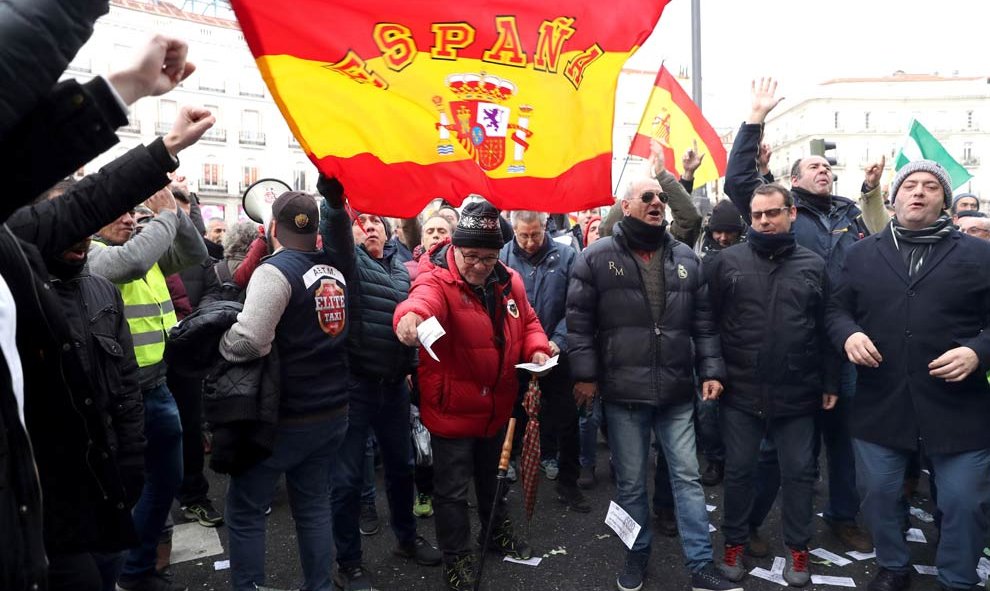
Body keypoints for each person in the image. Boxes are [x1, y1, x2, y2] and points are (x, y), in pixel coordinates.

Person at [723, 77, 879, 552]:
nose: (824, 170)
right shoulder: (783, 215)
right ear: (792, 185)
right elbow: (740, 185)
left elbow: (881, 245)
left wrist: (871, 192)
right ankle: (748, 524)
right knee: (779, 452)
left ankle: (842, 516)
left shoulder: (850, 213)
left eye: (827, 166)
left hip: (846, 343)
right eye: (813, 166)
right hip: (796, 355)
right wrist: (755, 119)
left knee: (844, 442)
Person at [567, 177, 739, 591]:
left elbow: (703, 322)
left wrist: (712, 370)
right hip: (625, 393)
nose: (657, 202)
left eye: (660, 197)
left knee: (687, 477)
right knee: (629, 482)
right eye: (647, 197)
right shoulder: (595, 257)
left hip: (678, 389)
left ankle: (700, 565)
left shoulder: (685, 257)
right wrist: (586, 376)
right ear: (625, 206)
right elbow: (578, 322)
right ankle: (636, 554)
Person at [827, 160, 990, 591]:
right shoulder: (862, 253)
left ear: (944, 200)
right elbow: (836, 309)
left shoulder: (979, 253)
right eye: (910, 185)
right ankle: (894, 565)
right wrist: (849, 334)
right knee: (879, 495)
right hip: (882, 402)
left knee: (963, 500)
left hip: (958, 405)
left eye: (930, 186)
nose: (918, 192)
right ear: (893, 197)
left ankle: (957, 578)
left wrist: (978, 351)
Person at [394, 201, 551, 591]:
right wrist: (409, 319)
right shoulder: (436, 279)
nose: (481, 265)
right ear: (455, 247)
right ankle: (457, 556)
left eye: (489, 256)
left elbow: (528, 320)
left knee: (494, 478)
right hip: (453, 409)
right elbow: (418, 303)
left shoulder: (509, 279)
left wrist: (537, 347)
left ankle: (495, 532)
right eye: (471, 256)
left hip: (497, 405)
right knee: (450, 490)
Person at [220, 189, 353, 591]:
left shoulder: (274, 271)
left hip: (286, 418)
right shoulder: (334, 269)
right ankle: (320, 585)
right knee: (312, 506)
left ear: (272, 227)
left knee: (244, 509)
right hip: (331, 412)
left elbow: (250, 341)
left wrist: (221, 340)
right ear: (314, 229)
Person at [707, 183, 838, 587]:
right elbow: (706, 322)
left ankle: (799, 549)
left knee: (800, 473)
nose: (764, 221)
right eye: (758, 214)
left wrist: (830, 379)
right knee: (740, 472)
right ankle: (735, 541)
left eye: (773, 213)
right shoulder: (726, 262)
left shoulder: (815, 265)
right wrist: (712, 370)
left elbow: (828, 324)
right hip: (741, 390)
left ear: (791, 213)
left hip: (798, 391)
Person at [88, 181, 210, 591]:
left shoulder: (143, 242)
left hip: (157, 386)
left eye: (131, 212)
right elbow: (131, 265)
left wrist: (180, 209)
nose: (128, 219)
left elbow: (195, 254)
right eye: (119, 213)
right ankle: (119, 571)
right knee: (120, 492)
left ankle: (135, 569)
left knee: (168, 478)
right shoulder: (92, 253)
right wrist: (164, 217)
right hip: (117, 396)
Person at [321, 178, 440, 591]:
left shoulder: (404, 268)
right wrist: (335, 204)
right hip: (356, 387)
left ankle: (407, 539)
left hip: (394, 386)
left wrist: (410, 366)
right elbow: (336, 237)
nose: (370, 226)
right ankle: (348, 563)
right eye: (363, 220)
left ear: (389, 233)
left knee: (402, 468)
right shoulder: (348, 264)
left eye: (377, 221)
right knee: (349, 478)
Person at [500, 210, 588, 512]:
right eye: (522, 235)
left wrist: (557, 341)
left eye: (535, 235)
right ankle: (506, 472)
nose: (528, 242)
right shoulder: (501, 259)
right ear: (513, 230)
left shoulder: (566, 256)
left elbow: (575, 306)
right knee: (512, 415)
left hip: (555, 352)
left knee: (566, 419)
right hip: (515, 355)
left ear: (545, 227)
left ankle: (569, 483)